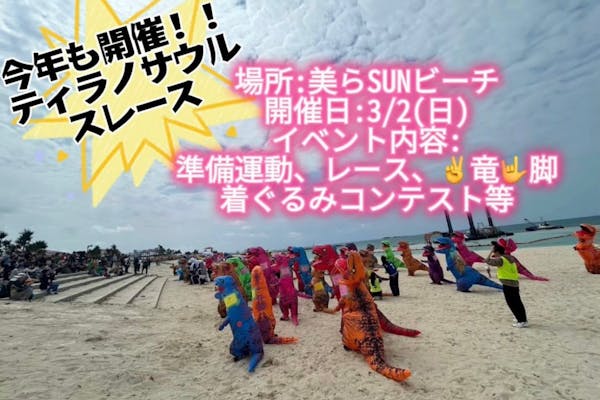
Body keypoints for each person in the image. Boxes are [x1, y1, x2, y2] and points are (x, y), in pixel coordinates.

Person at [485, 241, 528, 328]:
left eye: (494, 252)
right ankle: (521, 318)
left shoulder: (501, 260)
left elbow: (487, 261)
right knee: (517, 302)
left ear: (497, 252)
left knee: (511, 303)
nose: (494, 254)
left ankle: (521, 321)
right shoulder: (509, 257)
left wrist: (491, 250)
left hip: (508, 283)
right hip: (514, 282)